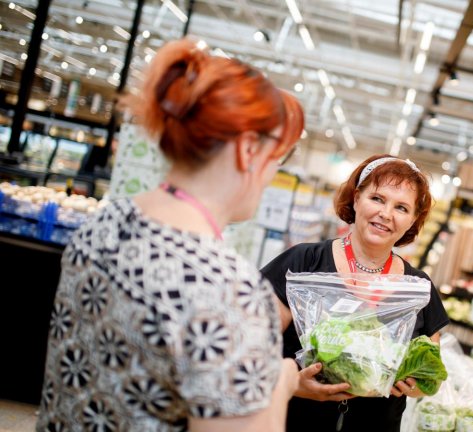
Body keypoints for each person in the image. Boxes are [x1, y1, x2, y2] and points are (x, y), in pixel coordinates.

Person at [37, 38, 304, 431]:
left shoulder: (104, 224)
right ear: (248, 151)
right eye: (275, 160)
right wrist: (282, 380)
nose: (270, 176)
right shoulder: (229, 289)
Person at [261, 154, 450, 432]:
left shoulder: (418, 287)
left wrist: (414, 385)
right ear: (356, 198)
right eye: (377, 199)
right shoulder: (303, 263)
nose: (386, 214)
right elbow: (247, 348)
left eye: (401, 207)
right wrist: (292, 383)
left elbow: (430, 373)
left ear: (412, 220)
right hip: (294, 420)